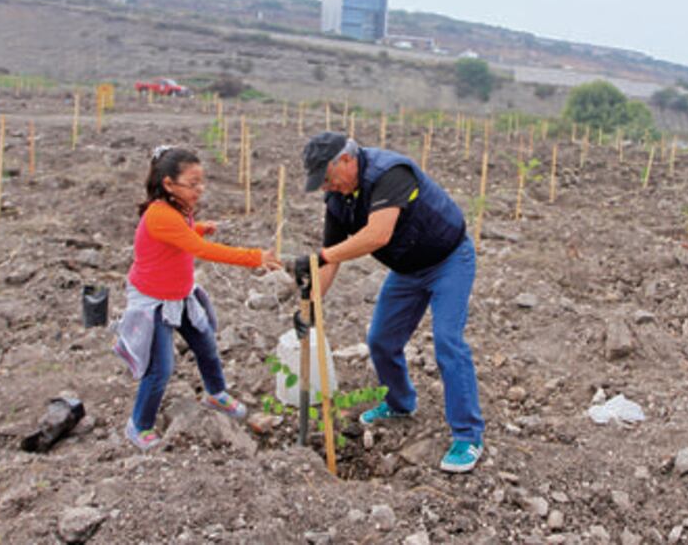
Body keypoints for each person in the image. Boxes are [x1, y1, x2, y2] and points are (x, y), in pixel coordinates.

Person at [298, 131, 484, 473]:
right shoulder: (337, 199)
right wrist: (310, 306)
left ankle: (468, 435)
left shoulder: (390, 173)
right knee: (381, 340)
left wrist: (323, 255)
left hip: (449, 261)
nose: (326, 187)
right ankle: (400, 403)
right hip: (407, 271)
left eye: (327, 178)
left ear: (346, 160)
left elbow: (377, 235)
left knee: (447, 341)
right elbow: (330, 258)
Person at [114, 145, 282, 451]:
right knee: (160, 369)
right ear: (169, 184)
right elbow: (200, 249)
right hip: (155, 301)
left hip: (180, 293)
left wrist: (200, 228)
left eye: (201, 182)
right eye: (193, 184)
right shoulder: (160, 215)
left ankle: (216, 394)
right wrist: (255, 257)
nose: (200, 189)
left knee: (206, 344)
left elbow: (184, 234)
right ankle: (138, 425)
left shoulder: (178, 209)